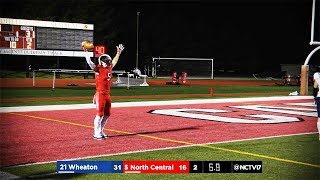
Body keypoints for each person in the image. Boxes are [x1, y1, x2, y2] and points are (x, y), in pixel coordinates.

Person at [83, 44, 125, 140]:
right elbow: (89, 63)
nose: (108, 63)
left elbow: (114, 61)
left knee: (107, 114)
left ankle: (101, 130)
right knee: (99, 114)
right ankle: (96, 133)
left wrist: (118, 53)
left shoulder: (109, 67)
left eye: (108, 61)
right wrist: (86, 53)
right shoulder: (98, 69)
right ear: (101, 62)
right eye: (106, 62)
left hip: (107, 94)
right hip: (100, 94)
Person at [313, 66, 320, 140]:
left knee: (319, 117)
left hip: (319, 97)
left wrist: (314, 97)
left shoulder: (317, 76)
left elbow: (315, 88)